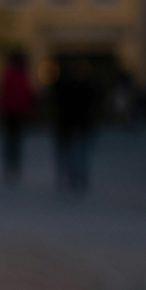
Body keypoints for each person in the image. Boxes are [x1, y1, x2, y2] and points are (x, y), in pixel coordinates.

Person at [52, 60, 100, 192]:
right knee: (79, 152)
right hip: (76, 124)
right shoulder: (84, 86)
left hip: (69, 124)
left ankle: (70, 177)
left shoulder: (63, 85)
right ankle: (77, 178)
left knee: (71, 152)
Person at [0, 50, 35, 183]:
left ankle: (9, 167)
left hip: (9, 111)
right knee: (17, 141)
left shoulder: (9, 74)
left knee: (9, 140)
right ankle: (15, 167)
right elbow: (28, 93)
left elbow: (2, 92)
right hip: (19, 112)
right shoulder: (23, 74)